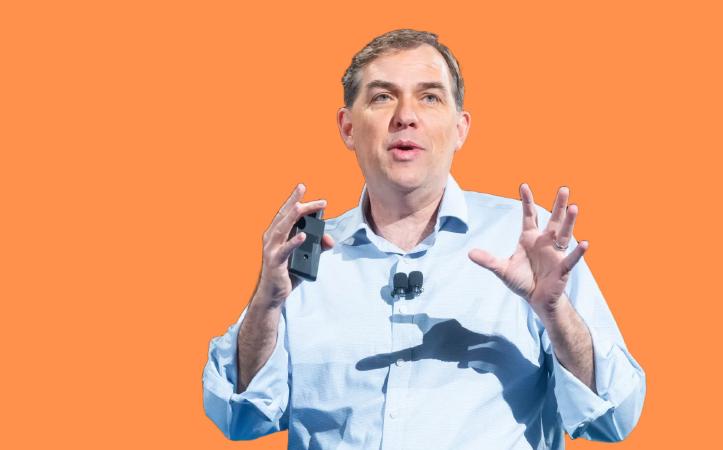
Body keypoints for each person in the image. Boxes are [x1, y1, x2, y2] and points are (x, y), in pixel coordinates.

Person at [202, 29, 646, 449]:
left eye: (429, 97)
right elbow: (238, 417)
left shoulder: (525, 240)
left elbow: (614, 418)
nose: (406, 116)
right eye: (382, 97)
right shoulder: (304, 255)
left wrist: (555, 313)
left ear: (460, 128)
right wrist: (265, 304)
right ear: (348, 127)